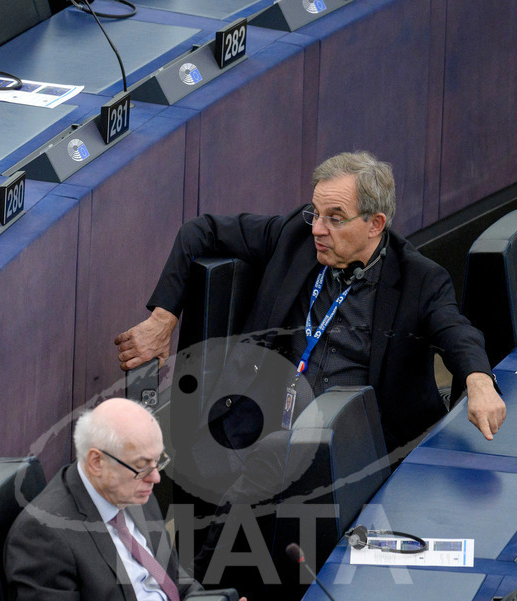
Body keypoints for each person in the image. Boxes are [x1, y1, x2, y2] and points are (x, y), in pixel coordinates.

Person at [116, 151, 506, 453]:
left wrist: (479, 380)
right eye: (315, 213)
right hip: (268, 421)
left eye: (334, 218)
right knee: (226, 524)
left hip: (359, 441)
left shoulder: (419, 279)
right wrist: (162, 319)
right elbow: (199, 231)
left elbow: (457, 332)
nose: (317, 229)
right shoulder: (295, 236)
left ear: (375, 224)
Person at [5, 397, 246, 601]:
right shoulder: (43, 535)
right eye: (142, 466)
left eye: (157, 461)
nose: (155, 477)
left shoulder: (132, 488)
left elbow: (174, 579)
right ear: (97, 462)